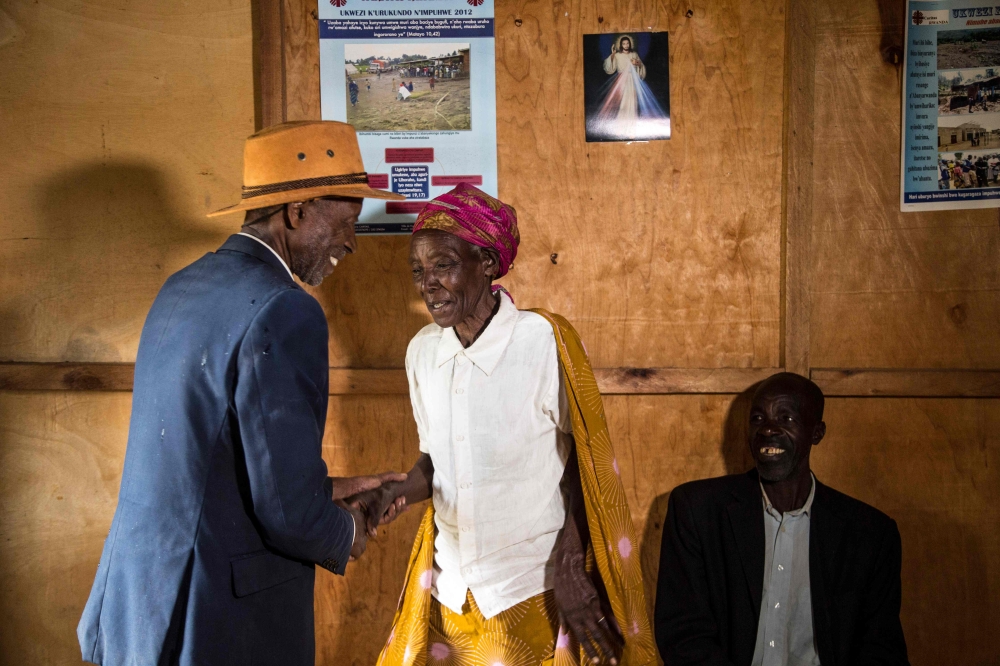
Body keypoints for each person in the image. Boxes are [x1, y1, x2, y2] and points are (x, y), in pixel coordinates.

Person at [76, 121, 407, 666]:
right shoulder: (286, 311)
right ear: (297, 212)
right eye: (346, 222)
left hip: (139, 601)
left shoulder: (183, 286)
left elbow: (209, 460)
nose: (351, 242)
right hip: (214, 619)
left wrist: (333, 488)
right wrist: (348, 527)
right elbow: (286, 514)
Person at [353, 184, 658, 666]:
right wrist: (394, 494)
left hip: (533, 587)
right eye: (418, 270)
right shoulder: (423, 353)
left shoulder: (543, 343)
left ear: (489, 263)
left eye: (444, 266)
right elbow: (438, 464)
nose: (427, 284)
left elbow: (588, 466)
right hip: (450, 593)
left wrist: (575, 564)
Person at [654, 372, 909, 666]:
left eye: (786, 419)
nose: (768, 430)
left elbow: (881, 649)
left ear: (817, 433)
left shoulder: (870, 534)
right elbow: (683, 635)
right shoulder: (697, 511)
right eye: (758, 419)